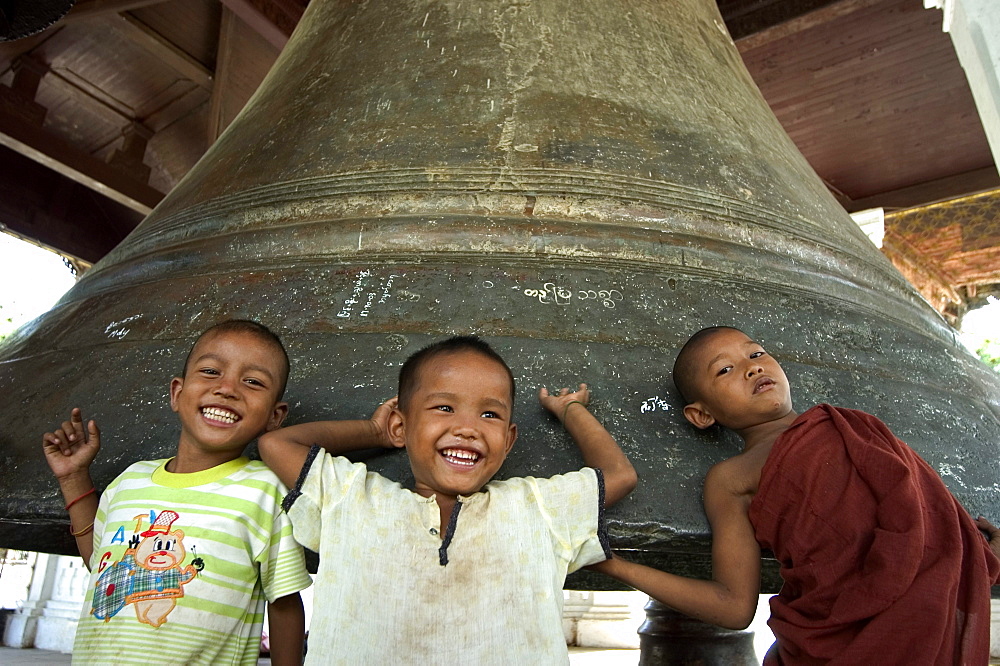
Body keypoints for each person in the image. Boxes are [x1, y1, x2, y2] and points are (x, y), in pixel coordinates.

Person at [592, 326, 1000, 665]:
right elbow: (732, 606)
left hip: (917, 619)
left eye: (756, 354)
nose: (752, 369)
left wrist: (975, 548)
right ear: (702, 415)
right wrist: (614, 565)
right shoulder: (731, 478)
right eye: (726, 370)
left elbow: (921, 508)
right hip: (832, 637)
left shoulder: (854, 427)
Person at [257, 335, 637, 664]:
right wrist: (374, 431)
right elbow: (276, 444)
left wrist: (569, 409)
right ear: (401, 426)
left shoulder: (535, 508)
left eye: (490, 414)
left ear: (508, 440)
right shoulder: (350, 498)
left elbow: (619, 476)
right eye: (444, 408)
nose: (468, 428)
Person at [42, 320, 313, 665]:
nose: (227, 389)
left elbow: (284, 602)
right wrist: (73, 478)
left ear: (275, 416)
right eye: (211, 371)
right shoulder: (130, 481)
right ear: (176, 393)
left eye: (253, 382)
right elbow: (101, 564)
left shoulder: (265, 492)